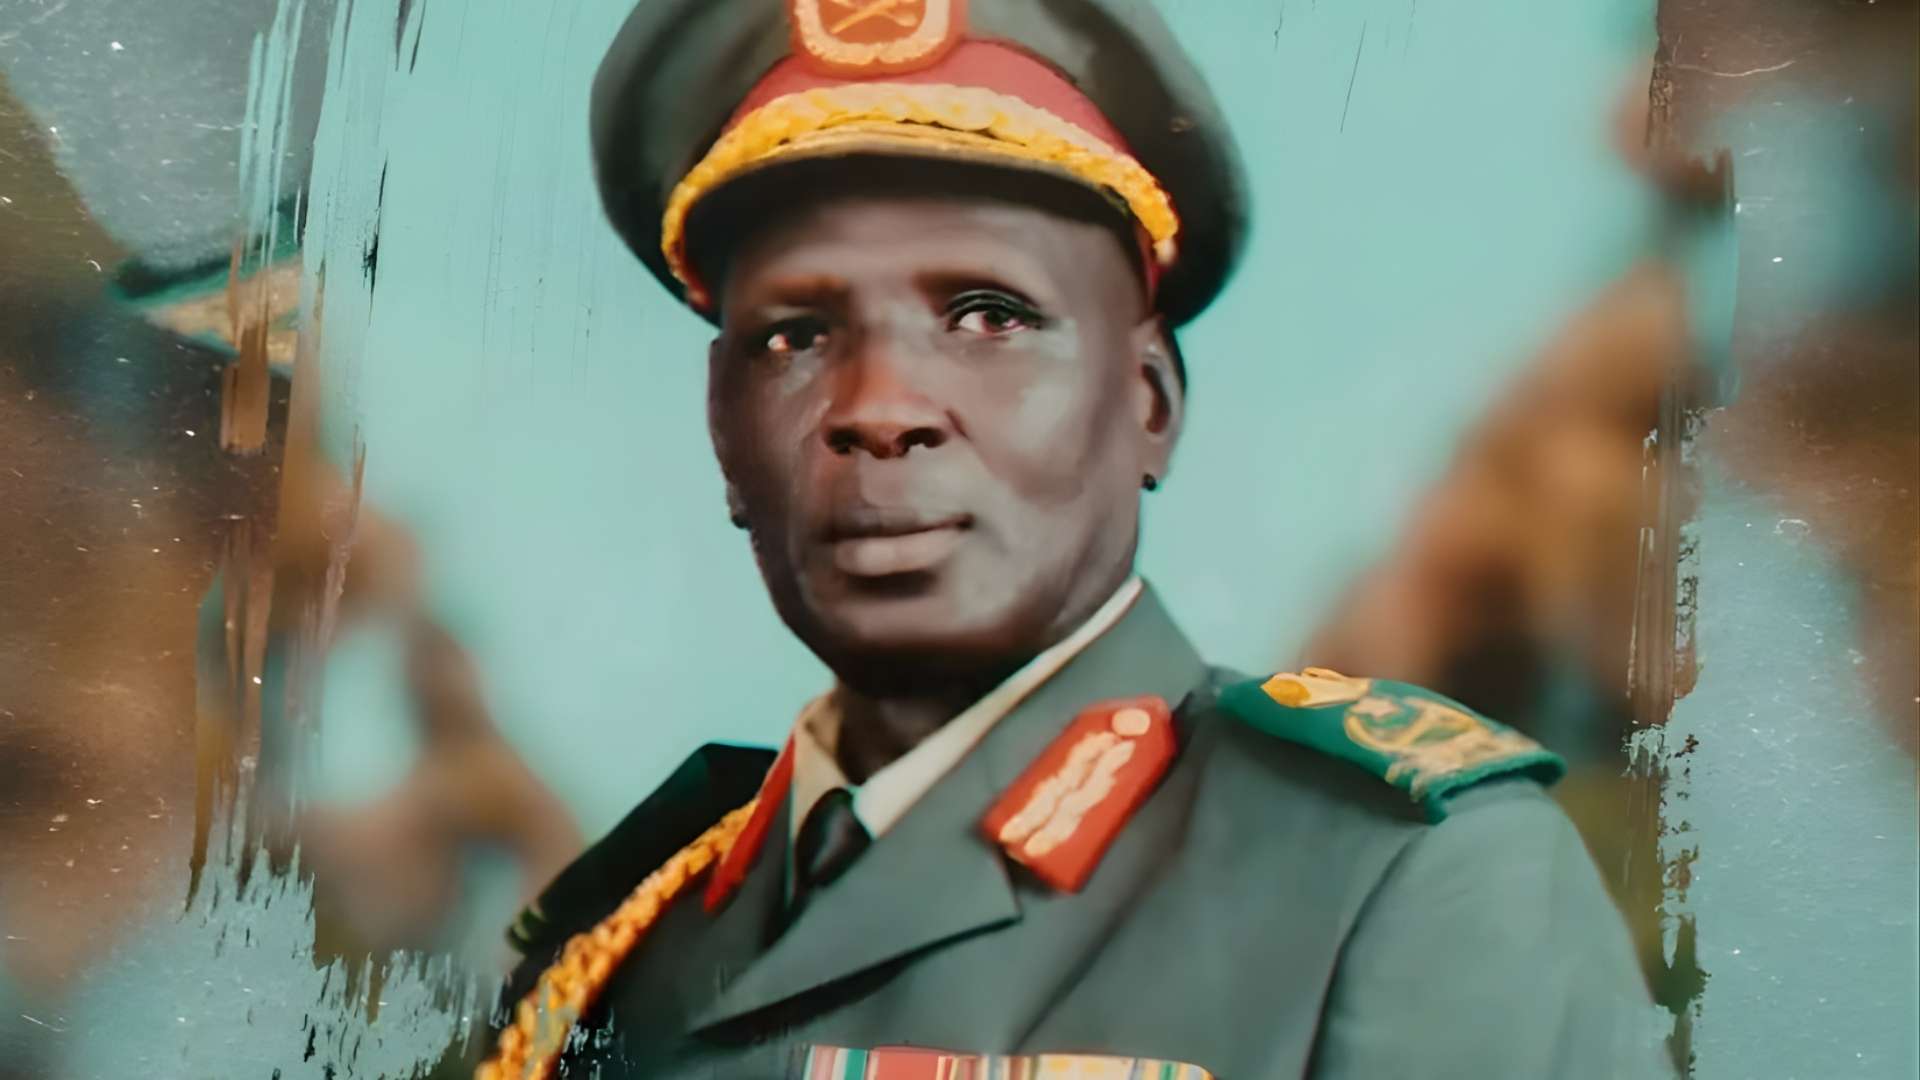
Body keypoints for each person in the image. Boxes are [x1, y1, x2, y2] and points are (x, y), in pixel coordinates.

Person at [472, 2, 1664, 1077]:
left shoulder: (1404, 882)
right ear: (723, 433)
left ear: (1150, 403)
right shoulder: (624, 935)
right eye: (794, 336)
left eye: (988, 317)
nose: (877, 408)